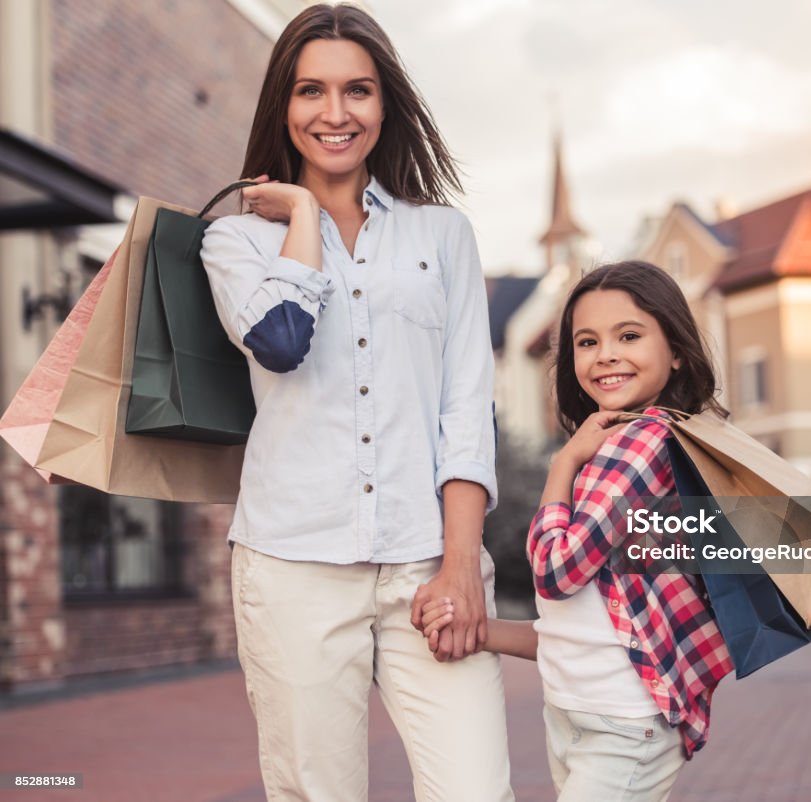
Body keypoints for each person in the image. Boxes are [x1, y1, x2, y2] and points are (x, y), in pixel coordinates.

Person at [199, 5, 513, 801]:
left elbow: (467, 408)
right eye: (312, 91)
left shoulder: (443, 236)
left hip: (426, 564)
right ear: (284, 105)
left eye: (358, 91)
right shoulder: (236, 242)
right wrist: (303, 213)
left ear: (385, 104)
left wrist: (461, 566)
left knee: (476, 791)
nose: (335, 113)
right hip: (292, 566)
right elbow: (280, 340)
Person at [416, 261, 735, 801]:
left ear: (676, 351)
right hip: (582, 717)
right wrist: (481, 630)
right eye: (587, 341)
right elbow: (584, 626)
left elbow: (555, 572)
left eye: (629, 335)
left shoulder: (640, 444)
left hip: (623, 727)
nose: (606, 353)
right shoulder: (624, 447)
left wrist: (564, 462)